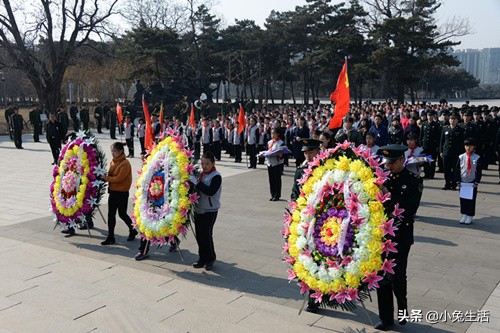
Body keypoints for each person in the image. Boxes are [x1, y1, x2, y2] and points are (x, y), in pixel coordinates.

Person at [374, 144, 423, 331]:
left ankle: (402, 308)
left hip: (401, 236)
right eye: (387, 162)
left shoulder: (413, 180)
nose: (388, 166)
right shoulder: (383, 178)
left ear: (402, 160)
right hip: (380, 235)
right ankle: (386, 318)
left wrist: (388, 194)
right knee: (381, 276)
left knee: (397, 277)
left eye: (392, 162)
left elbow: (410, 209)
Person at [189, 151, 222, 270]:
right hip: (199, 209)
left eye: (207, 164)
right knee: (199, 235)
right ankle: (202, 258)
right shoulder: (201, 174)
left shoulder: (216, 176)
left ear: (213, 163)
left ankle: (210, 258)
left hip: (210, 210)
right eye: (202, 163)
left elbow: (210, 191)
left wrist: (197, 183)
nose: (204, 166)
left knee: (206, 234)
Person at [102, 142, 138, 245]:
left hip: (122, 192)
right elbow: (111, 175)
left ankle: (132, 229)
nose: (113, 153)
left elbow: (118, 178)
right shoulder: (113, 162)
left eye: (115, 151)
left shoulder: (125, 163)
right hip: (113, 191)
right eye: (112, 151)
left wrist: (106, 178)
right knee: (111, 215)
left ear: (121, 151)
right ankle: (111, 236)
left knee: (122, 214)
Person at [455, 138, 482, 225]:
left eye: (470, 146)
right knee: (463, 198)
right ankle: (464, 214)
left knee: (471, 199)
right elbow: (457, 169)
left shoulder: (477, 158)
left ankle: (470, 215)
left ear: (474, 147)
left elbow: (479, 171)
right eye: (466, 146)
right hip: (463, 182)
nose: (468, 148)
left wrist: (476, 181)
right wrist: (458, 180)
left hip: (471, 182)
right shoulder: (461, 157)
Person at [440, 114, 465, 190]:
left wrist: (461, 153)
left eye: (454, 119)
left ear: (457, 121)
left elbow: (461, 143)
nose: (452, 121)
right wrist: (441, 151)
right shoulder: (445, 128)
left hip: (456, 152)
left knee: (455, 169)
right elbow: (442, 141)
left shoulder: (460, 130)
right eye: (451, 119)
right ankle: (447, 183)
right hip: (446, 152)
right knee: (446, 169)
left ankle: (454, 184)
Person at [266, 128, 286, 201]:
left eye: (274, 133)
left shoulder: (281, 143)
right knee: (271, 180)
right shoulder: (269, 142)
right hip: (269, 163)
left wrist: (279, 154)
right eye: (271, 133)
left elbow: (283, 154)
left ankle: (277, 195)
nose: (273, 135)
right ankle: (272, 194)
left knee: (277, 180)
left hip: (277, 163)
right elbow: (267, 151)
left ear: (278, 134)